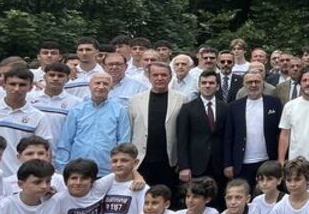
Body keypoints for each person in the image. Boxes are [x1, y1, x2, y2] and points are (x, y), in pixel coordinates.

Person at [55, 73, 129, 177]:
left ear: (111, 87)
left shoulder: (120, 111)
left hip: (106, 171)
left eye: (105, 84)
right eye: (97, 83)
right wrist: (62, 169)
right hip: (77, 169)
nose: (101, 86)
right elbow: (65, 142)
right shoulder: (77, 110)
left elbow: (123, 143)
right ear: (89, 86)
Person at [129, 63, 185, 194]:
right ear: (148, 77)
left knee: (169, 198)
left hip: (170, 161)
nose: (160, 78)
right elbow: (130, 131)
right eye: (155, 75)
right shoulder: (135, 100)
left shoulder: (182, 99)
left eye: (164, 75)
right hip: (142, 160)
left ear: (171, 77)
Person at [0, 68, 53, 176]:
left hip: (18, 177)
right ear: (4, 85)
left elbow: (46, 151)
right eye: (12, 84)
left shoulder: (39, 117)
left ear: (30, 87)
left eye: (22, 85)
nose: (17, 89)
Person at [224, 70, 283, 188]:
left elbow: (281, 133)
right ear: (244, 85)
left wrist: (280, 159)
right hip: (242, 163)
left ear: (263, 83)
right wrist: (228, 164)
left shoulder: (274, 103)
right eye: (249, 82)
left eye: (257, 81)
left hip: (268, 160)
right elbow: (228, 137)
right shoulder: (233, 107)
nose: (253, 85)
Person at [176, 69, 228, 201]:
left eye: (211, 83)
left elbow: (229, 138)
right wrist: (184, 166)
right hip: (196, 164)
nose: (207, 86)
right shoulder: (187, 108)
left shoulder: (225, 108)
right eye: (204, 83)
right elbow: (181, 140)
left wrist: (228, 164)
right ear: (198, 86)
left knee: (218, 199)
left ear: (217, 86)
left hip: (219, 164)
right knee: (197, 198)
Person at [27, 63, 82, 150]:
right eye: (52, 75)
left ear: (67, 79)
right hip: (32, 153)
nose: (55, 78)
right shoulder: (29, 99)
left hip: (59, 154)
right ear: (45, 77)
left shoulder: (76, 103)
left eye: (60, 76)